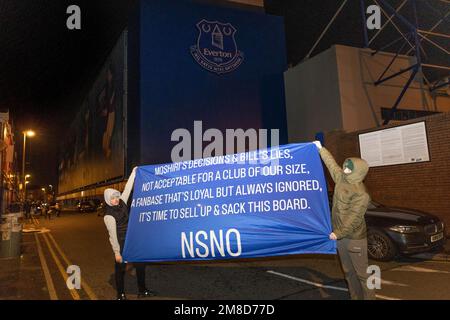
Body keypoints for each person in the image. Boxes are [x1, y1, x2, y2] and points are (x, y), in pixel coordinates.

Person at [313, 141, 375, 300]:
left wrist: (338, 233)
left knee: (363, 274)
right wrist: (321, 149)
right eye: (346, 166)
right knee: (348, 272)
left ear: (358, 172)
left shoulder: (361, 194)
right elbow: (331, 165)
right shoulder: (341, 178)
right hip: (340, 237)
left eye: (349, 168)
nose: (345, 169)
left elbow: (353, 218)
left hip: (354, 239)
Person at [103, 167, 155, 300]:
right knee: (120, 270)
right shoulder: (108, 216)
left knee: (140, 265)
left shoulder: (123, 202)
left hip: (133, 239)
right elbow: (112, 236)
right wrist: (116, 252)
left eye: (116, 196)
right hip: (121, 242)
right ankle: (120, 294)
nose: (116, 199)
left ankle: (142, 290)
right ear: (108, 200)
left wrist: (133, 173)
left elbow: (128, 188)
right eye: (112, 198)